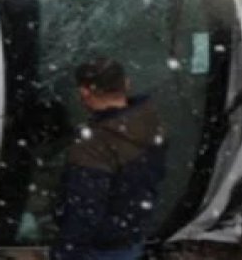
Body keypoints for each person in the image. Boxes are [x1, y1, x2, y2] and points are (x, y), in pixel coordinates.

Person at [53, 58, 166, 260]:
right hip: (131, 236)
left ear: (84, 92)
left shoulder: (94, 145)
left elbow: (84, 209)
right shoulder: (149, 121)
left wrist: (67, 252)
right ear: (127, 84)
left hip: (99, 248)